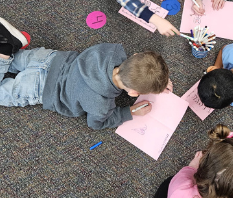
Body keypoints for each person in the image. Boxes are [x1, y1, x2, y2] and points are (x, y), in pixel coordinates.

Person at [0, 24, 168, 128]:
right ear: (133, 93)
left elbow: (139, 65)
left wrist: (155, 76)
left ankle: (6, 51)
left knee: (16, 59)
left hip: (50, 59)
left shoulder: (112, 51)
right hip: (41, 87)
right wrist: (128, 112)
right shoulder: (101, 106)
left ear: (135, 55)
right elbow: (95, 124)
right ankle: (4, 56)